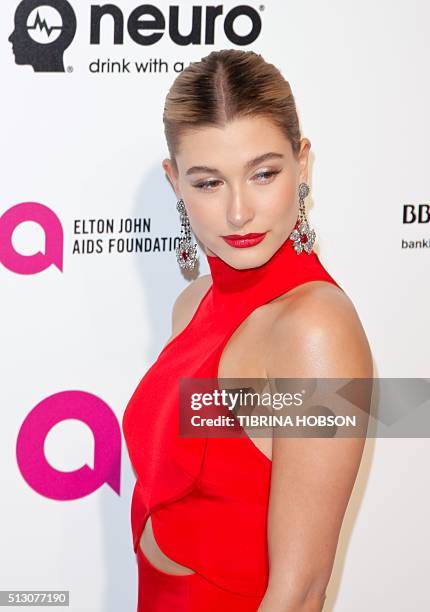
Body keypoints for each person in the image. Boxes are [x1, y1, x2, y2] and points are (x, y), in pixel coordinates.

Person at [122, 49, 373, 612]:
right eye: (209, 183)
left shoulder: (315, 331)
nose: (239, 212)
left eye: (264, 174)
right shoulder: (192, 306)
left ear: (302, 165)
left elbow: (301, 591)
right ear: (175, 181)